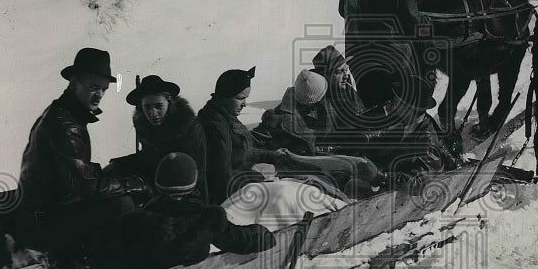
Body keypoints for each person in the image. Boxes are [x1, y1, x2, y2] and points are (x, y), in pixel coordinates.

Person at [77, 152, 275, 269]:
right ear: (193, 183)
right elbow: (239, 241)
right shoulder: (204, 218)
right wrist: (264, 234)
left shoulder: (133, 219)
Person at [15, 48, 147, 269]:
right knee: (123, 205)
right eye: (93, 87)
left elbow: (76, 174)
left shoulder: (63, 113)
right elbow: (87, 187)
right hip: (42, 222)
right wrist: (133, 184)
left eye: (103, 90)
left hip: (44, 208)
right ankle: (83, 267)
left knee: (115, 182)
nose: (98, 95)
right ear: (75, 83)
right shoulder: (66, 125)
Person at [255, 69, 382, 198]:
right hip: (302, 168)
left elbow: (338, 128)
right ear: (311, 101)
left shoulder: (322, 103)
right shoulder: (276, 118)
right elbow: (257, 143)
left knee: (365, 167)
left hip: (329, 159)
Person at [111, 75, 210, 201]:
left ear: (169, 102)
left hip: (188, 192)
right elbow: (149, 158)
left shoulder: (188, 127)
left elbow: (196, 172)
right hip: (159, 187)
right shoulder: (143, 125)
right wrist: (118, 165)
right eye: (147, 107)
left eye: (158, 106)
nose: (153, 113)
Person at [197, 66, 282, 203]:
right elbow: (221, 177)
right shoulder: (214, 126)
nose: (245, 104)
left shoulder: (226, 116)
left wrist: (274, 156)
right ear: (224, 96)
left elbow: (243, 150)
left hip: (240, 185)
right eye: (240, 98)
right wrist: (258, 178)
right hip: (228, 198)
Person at [311, 45, 363, 139]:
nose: (346, 75)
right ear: (324, 75)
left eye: (346, 70)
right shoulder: (315, 99)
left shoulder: (348, 90)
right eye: (340, 71)